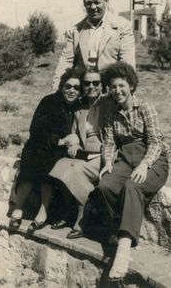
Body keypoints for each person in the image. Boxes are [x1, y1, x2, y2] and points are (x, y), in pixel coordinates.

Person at [95, 62, 169, 283]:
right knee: (105, 185)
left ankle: (124, 249)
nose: (117, 91)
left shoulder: (144, 107)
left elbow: (156, 141)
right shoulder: (111, 112)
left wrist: (145, 164)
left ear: (131, 85)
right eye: (113, 87)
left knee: (132, 186)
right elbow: (108, 142)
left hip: (154, 159)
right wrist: (108, 162)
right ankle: (118, 229)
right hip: (126, 158)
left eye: (122, 85)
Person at [9, 68, 84, 233]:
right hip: (40, 143)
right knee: (34, 155)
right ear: (62, 86)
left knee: (50, 161)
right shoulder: (49, 101)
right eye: (68, 86)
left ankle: (42, 212)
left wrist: (72, 141)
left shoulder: (79, 108)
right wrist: (60, 140)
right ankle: (18, 207)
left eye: (76, 88)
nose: (72, 90)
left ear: (80, 92)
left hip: (59, 151)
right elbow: (35, 129)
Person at [49, 69, 110, 238]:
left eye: (95, 83)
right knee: (60, 165)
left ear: (102, 85)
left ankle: (82, 219)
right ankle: (72, 212)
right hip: (85, 154)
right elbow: (74, 132)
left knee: (74, 170)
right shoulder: (80, 109)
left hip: (103, 156)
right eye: (87, 83)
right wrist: (74, 141)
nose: (91, 86)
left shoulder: (108, 105)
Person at [52, 0, 135, 90]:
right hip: (84, 92)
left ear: (106, 1)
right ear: (84, 3)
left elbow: (127, 65)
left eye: (97, 2)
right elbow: (65, 63)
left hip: (112, 93)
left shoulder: (123, 27)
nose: (93, 7)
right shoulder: (75, 30)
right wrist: (55, 90)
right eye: (88, 3)